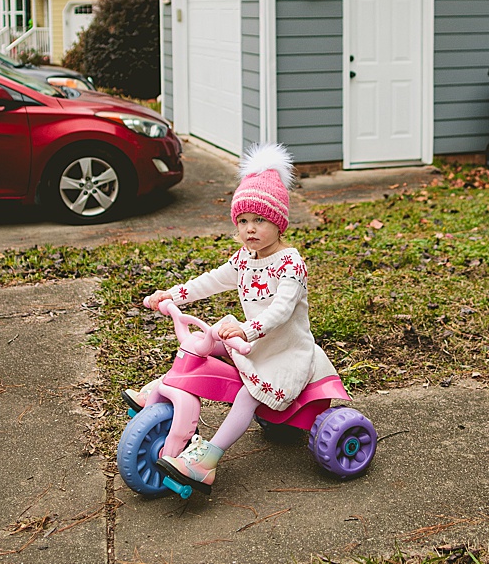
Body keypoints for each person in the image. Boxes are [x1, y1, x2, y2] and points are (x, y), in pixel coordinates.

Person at [130, 143, 337, 494]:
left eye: (260, 220)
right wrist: (173, 295)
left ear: (279, 223)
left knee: (247, 397)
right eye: (243, 221)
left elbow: (281, 311)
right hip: (251, 341)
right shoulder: (245, 258)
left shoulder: (290, 263)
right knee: (206, 337)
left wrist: (245, 328)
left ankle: (206, 461)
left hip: (284, 351)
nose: (250, 229)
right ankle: (165, 386)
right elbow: (211, 280)